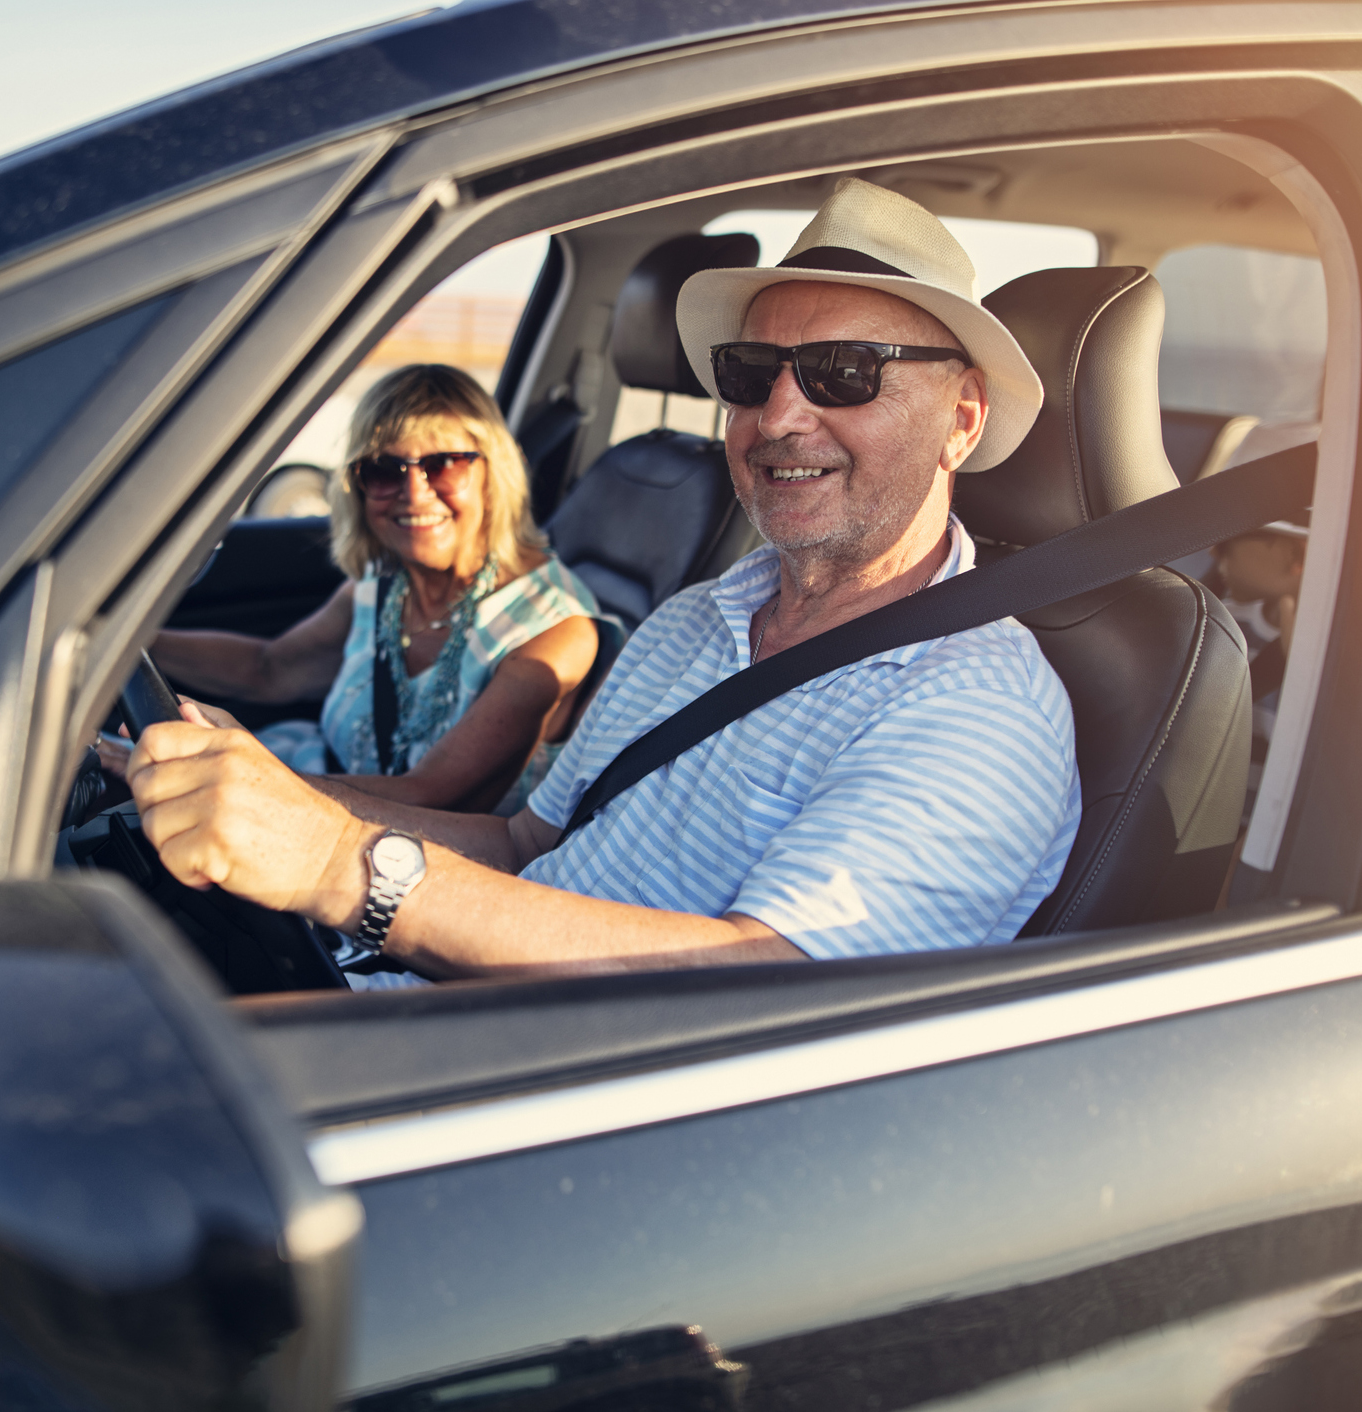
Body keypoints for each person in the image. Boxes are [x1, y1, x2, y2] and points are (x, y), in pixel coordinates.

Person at [127, 179, 1082, 978]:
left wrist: (340, 865)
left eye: (846, 371)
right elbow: (523, 849)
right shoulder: (695, 619)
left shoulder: (975, 702)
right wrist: (267, 796)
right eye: (752, 373)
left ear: (963, 417)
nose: (779, 415)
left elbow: (762, 988)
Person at [121, 365, 613, 816]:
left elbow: (435, 796)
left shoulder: (554, 633)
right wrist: (122, 645)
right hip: (309, 792)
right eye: (384, 470)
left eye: (444, 465)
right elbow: (269, 669)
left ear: (492, 475)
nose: (415, 493)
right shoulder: (382, 588)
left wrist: (221, 774)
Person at [1211, 515, 1309, 819]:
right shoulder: (1220, 622)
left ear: (1292, 551)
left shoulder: (1342, 662)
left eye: (1228, 539)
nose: (1214, 551)